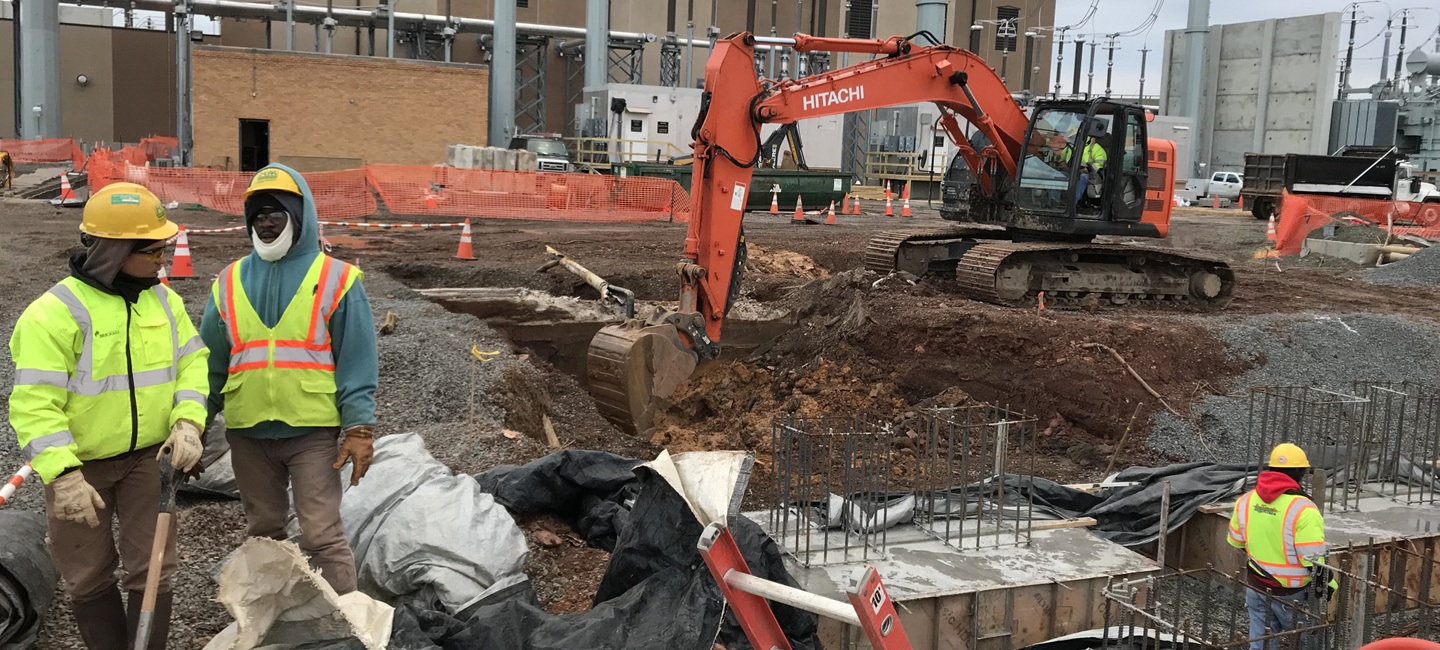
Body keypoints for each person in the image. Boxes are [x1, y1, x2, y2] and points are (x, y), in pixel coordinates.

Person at [9, 182, 208, 649]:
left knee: (153, 568)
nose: (163, 258)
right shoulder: (53, 315)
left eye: (165, 247)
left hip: (148, 460)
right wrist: (62, 475)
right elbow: (34, 404)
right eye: (152, 250)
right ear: (113, 250)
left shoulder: (163, 300)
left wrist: (188, 421)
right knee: (86, 575)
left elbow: (193, 363)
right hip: (81, 468)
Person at [199, 163, 378, 594]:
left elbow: (357, 358)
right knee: (264, 533)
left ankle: (345, 629)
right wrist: (195, 421)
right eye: (257, 214)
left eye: (275, 212)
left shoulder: (337, 280)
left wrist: (358, 426)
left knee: (322, 535)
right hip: (248, 433)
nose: (265, 222)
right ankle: (277, 618)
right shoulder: (227, 283)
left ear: (299, 215)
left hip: (310, 432)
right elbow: (208, 364)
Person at [1228, 443, 1335, 650]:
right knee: (1311, 643)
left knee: (1261, 643)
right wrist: (1328, 584)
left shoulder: (1246, 500)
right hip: (1292, 593)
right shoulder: (1304, 509)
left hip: (1256, 584)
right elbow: (1312, 560)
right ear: (1301, 473)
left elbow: (1236, 541)